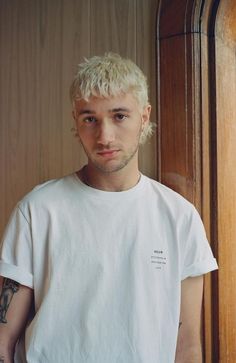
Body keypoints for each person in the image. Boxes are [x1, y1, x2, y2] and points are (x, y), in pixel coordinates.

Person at [0, 53, 218, 363]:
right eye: (90, 118)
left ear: (144, 117)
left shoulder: (179, 217)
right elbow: (3, 339)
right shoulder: (37, 210)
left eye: (119, 116)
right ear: (76, 121)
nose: (105, 136)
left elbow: (187, 347)